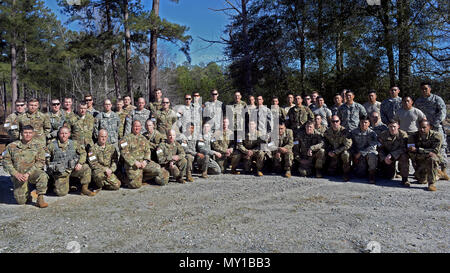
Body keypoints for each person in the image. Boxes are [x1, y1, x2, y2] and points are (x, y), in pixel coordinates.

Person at [3, 125, 49, 208]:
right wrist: (15, 174)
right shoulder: (12, 146)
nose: (28, 135)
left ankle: (40, 198)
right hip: (18, 175)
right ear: (21, 134)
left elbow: (40, 162)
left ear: (33, 134)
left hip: (32, 173)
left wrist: (28, 173)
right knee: (21, 201)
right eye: (25, 133)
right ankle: (28, 194)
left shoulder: (38, 146)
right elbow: (6, 162)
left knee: (43, 175)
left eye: (30, 133)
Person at [46, 126, 94, 197]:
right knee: (61, 193)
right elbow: (46, 158)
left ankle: (84, 189)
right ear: (58, 134)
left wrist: (80, 163)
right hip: (61, 172)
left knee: (86, 168)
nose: (64, 135)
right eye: (62, 133)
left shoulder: (74, 143)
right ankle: (55, 185)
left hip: (73, 169)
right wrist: (52, 169)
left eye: (66, 133)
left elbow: (83, 153)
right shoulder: (52, 145)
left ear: (69, 134)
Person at [414, 82, 448, 180]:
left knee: (441, 147)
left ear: (430, 89)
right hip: (423, 128)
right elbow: (416, 114)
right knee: (424, 148)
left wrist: (433, 124)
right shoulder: (418, 101)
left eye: (426, 88)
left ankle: (443, 170)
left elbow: (442, 112)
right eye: (422, 89)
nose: (424, 91)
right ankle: (427, 171)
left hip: (436, 127)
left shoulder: (437, 99)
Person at [119, 120, 169, 188]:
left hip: (143, 162)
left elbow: (147, 151)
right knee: (135, 185)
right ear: (132, 127)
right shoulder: (125, 139)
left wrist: (145, 161)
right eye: (135, 126)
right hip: (132, 164)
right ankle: (124, 177)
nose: (137, 128)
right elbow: (124, 152)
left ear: (141, 127)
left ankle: (141, 177)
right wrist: (134, 162)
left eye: (138, 126)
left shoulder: (143, 138)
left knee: (157, 168)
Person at [407, 120, 442, 191]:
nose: (421, 129)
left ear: (429, 127)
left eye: (424, 127)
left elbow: (434, 151)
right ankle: (438, 174)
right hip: (420, 159)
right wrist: (425, 153)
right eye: (420, 127)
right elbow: (411, 151)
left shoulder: (436, 136)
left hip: (431, 158)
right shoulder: (413, 137)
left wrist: (417, 150)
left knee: (432, 158)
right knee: (421, 181)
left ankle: (431, 183)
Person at [378, 121, 410, 186]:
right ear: (388, 127)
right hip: (387, 156)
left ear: (398, 126)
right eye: (390, 127)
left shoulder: (403, 135)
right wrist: (384, 158)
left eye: (394, 127)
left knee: (404, 156)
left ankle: (405, 179)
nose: (392, 129)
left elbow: (404, 148)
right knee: (389, 177)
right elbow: (380, 148)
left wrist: (392, 154)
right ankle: (391, 172)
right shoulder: (383, 135)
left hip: (398, 154)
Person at [323, 115, 352, 181]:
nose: (335, 123)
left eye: (337, 121)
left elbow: (347, 145)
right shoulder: (327, 132)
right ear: (331, 122)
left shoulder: (344, 131)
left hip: (341, 151)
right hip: (332, 153)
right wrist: (329, 151)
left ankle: (346, 173)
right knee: (331, 173)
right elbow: (325, 143)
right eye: (333, 121)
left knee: (346, 154)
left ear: (339, 122)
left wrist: (336, 152)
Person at [350, 116, 378, 183]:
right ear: (359, 123)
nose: (363, 124)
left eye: (366, 122)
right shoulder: (354, 132)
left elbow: (373, 146)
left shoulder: (372, 133)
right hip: (357, 156)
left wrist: (361, 153)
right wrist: (354, 154)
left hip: (367, 155)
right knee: (360, 175)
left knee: (373, 154)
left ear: (369, 123)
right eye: (362, 122)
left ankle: (372, 175)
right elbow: (350, 144)